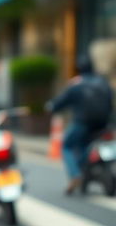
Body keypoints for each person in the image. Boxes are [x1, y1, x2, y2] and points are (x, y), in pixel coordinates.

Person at [48, 55, 114, 194]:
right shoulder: (103, 82)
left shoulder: (77, 84)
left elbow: (60, 103)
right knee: (84, 146)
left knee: (67, 145)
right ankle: (83, 167)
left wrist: (51, 106)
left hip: (83, 123)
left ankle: (75, 174)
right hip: (103, 125)